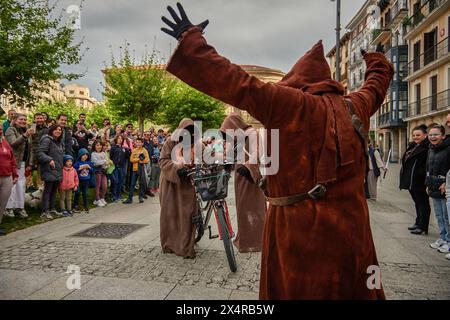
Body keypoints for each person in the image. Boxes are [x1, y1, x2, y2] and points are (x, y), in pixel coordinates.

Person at [161, 3, 394, 299]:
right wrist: (376, 58)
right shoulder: (356, 105)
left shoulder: (288, 104)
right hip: (352, 228)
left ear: (297, 82)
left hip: (299, 231)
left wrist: (190, 39)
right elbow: (377, 83)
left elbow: (236, 82)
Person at [220, 113, 266, 253]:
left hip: (249, 175)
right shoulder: (238, 137)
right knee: (243, 208)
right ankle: (246, 238)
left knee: (254, 208)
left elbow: (257, 152)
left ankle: (257, 241)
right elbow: (232, 154)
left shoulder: (252, 133)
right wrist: (227, 162)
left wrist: (248, 166)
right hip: (240, 176)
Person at [159, 118, 197, 258]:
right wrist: (177, 168)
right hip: (171, 182)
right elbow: (163, 160)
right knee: (170, 213)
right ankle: (170, 244)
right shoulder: (170, 142)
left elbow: (206, 157)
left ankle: (186, 246)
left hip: (187, 182)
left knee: (188, 213)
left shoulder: (195, 144)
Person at [399, 125, 430, 235]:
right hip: (410, 179)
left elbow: (426, 164)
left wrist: (422, 174)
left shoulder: (426, 147)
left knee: (423, 203)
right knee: (417, 203)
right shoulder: (413, 146)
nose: (415, 137)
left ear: (425, 135)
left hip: (418, 180)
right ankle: (418, 222)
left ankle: (423, 226)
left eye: (418, 135)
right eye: (414, 135)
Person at [426, 124, 450, 254]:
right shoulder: (431, 149)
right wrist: (427, 183)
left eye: (436, 134)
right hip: (433, 185)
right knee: (439, 215)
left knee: (446, 216)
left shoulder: (448, 149)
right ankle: (442, 237)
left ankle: (448, 240)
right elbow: (428, 168)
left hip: (443, 186)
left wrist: (446, 182)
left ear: (443, 136)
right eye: (430, 134)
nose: (433, 137)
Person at [4, 113, 33, 218]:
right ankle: (8, 208)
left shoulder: (26, 131)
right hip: (12, 163)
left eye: (25, 119)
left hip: (23, 163)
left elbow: (30, 149)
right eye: (21, 119)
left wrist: (30, 163)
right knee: (11, 185)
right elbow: (13, 143)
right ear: (15, 120)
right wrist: (25, 135)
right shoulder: (10, 130)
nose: (23, 121)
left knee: (21, 186)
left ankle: (19, 207)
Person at [36, 125, 64, 219]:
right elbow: (40, 153)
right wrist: (49, 159)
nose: (58, 131)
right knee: (47, 190)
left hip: (58, 169)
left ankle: (52, 209)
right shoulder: (47, 140)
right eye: (56, 129)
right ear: (51, 130)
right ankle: (45, 211)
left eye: (60, 130)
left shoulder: (59, 142)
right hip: (49, 169)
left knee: (54, 190)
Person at [0, 126, 18, 235]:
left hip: (7, 177)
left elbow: (12, 160)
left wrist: (15, 174)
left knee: (2, 203)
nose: (0, 131)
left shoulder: (5, 143)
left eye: (1, 129)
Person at [123, 137, 149, 204]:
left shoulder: (144, 150)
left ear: (142, 143)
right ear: (135, 143)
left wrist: (140, 161)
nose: (138, 143)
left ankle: (140, 197)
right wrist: (139, 159)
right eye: (137, 142)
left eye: (140, 142)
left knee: (141, 183)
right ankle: (130, 198)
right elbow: (131, 159)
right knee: (132, 184)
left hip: (141, 168)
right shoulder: (134, 150)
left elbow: (147, 160)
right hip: (134, 169)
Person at [73, 148, 94, 214]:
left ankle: (86, 206)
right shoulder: (77, 163)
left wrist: (89, 168)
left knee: (85, 193)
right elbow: (74, 172)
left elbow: (92, 171)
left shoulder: (89, 163)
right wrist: (80, 169)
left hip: (86, 181)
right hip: (79, 181)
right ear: (80, 155)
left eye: (86, 155)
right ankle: (75, 205)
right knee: (77, 193)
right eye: (83, 154)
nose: (85, 156)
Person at [91, 141, 108, 207]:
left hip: (103, 171)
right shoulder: (93, 154)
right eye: (97, 145)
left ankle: (102, 198)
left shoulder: (103, 153)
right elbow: (96, 163)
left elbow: (106, 163)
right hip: (97, 171)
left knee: (105, 186)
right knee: (97, 186)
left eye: (100, 145)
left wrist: (104, 163)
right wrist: (103, 161)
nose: (99, 147)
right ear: (94, 146)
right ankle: (97, 199)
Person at [110, 135, 127, 202]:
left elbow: (126, 157)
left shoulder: (123, 148)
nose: (120, 139)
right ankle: (114, 196)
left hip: (122, 167)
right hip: (115, 167)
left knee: (120, 181)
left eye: (121, 138)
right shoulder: (113, 147)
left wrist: (127, 150)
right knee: (115, 181)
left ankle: (119, 195)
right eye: (119, 138)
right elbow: (111, 157)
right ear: (116, 139)